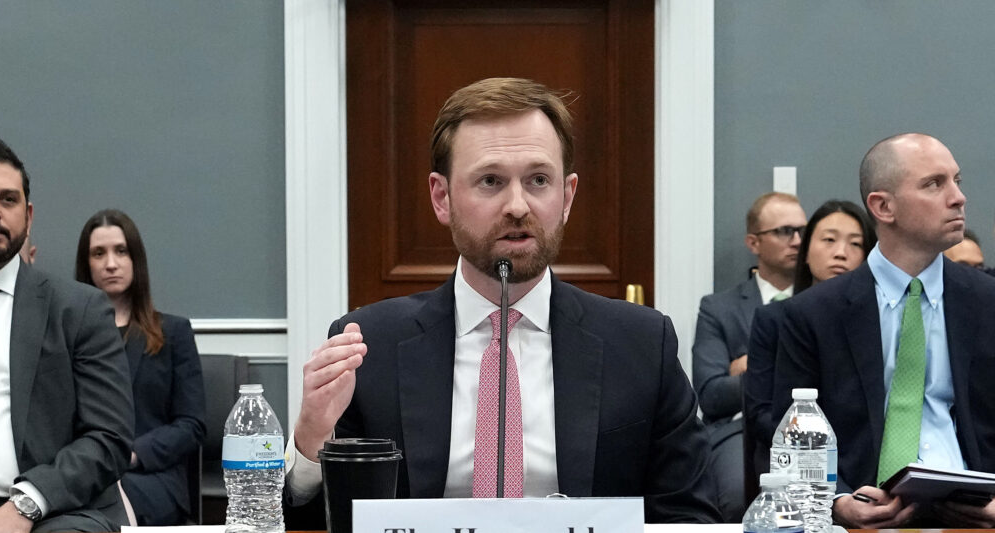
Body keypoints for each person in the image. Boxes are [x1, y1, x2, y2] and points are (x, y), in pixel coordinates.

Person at [284, 78, 719, 524]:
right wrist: (310, 445)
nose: (517, 205)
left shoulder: (643, 344)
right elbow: (321, 523)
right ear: (442, 197)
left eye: (538, 180)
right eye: (490, 181)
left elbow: (690, 517)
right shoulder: (368, 345)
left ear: (566, 196)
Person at [772, 133, 995, 529]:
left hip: (976, 517)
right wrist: (836, 503)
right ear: (883, 206)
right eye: (934, 184)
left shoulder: (988, 302)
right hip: (864, 512)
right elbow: (788, 441)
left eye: (957, 181)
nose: (958, 198)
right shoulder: (811, 315)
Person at [0, 131, 134, 532]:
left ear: (28, 217)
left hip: (48, 511)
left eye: (7, 199)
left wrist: (24, 506)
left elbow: (109, 437)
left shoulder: (78, 310)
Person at [73, 209, 206, 526]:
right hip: (84, 475)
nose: (110, 263)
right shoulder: (69, 337)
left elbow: (192, 425)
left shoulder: (173, 333)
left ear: (136, 260)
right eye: (98, 253)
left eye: (121, 251)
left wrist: (130, 454)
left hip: (150, 476)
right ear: (86, 264)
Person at [691, 191, 806, 521]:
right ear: (754, 243)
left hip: (812, 430)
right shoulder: (718, 307)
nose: (797, 240)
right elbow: (712, 396)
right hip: (739, 432)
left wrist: (752, 366)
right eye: (785, 231)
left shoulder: (822, 302)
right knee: (742, 501)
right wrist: (781, 369)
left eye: (802, 231)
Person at [743, 200, 876, 481]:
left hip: (864, 456)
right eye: (829, 240)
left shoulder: (880, 321)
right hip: (792, 456)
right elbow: (760, 412)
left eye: (855, 244)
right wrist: (818, 442)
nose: (841, 253)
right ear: (805, 252)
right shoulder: (774, 318)